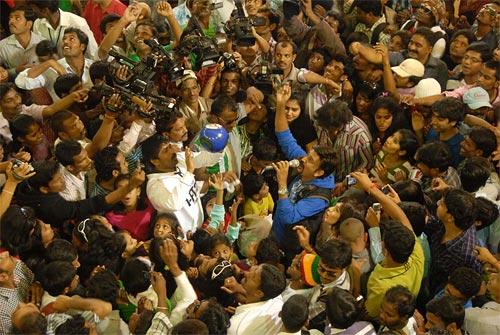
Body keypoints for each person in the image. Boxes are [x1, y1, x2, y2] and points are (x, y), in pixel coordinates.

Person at [273, 83, 336, 258]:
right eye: (308, 156)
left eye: (309, 161)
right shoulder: (306, 163)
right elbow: (284, 136)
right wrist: (280, 104)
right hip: (275, 231)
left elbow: (289, 217)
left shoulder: (319, 197)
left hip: (287, 248)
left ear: (318, 173)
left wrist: (282, 183)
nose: (303, 159)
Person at [144, 134, 204, 238]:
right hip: (182, 241)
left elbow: (206, 159)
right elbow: (175, 204)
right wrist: (189, 172)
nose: (173, 151)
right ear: (155, 161)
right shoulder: (154, 185)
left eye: (170, 146)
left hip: (199, 230)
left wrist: (218, 145)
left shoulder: (178, 160)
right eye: (166, 150)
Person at [15, 27, 95, 101]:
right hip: (65, 113)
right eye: (64, 39)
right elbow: (21, 82)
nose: (65, 42)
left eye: (71, 39)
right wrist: (49, 63)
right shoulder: (52, 69)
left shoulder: (93, 66)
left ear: (82, 47)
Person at [222, 263, 286, 335]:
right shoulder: (276, 297)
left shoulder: (236, 327)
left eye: (253, 277)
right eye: (254, 268)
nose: (245, 273)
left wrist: (241, 316)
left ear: (259, 293)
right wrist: (239, 289)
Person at [28, 0, 98, 60]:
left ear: (45, 10)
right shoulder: (37, 24)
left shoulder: (77, 23)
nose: (33, 11)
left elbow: (92, 54)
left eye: (34, 8)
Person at [0, 5, 44, 79]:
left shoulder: (42, 42)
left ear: (29, 24)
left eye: (17, 18)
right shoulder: (2, 45)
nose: (11, 21)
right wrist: (16, 70)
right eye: (10, 18)